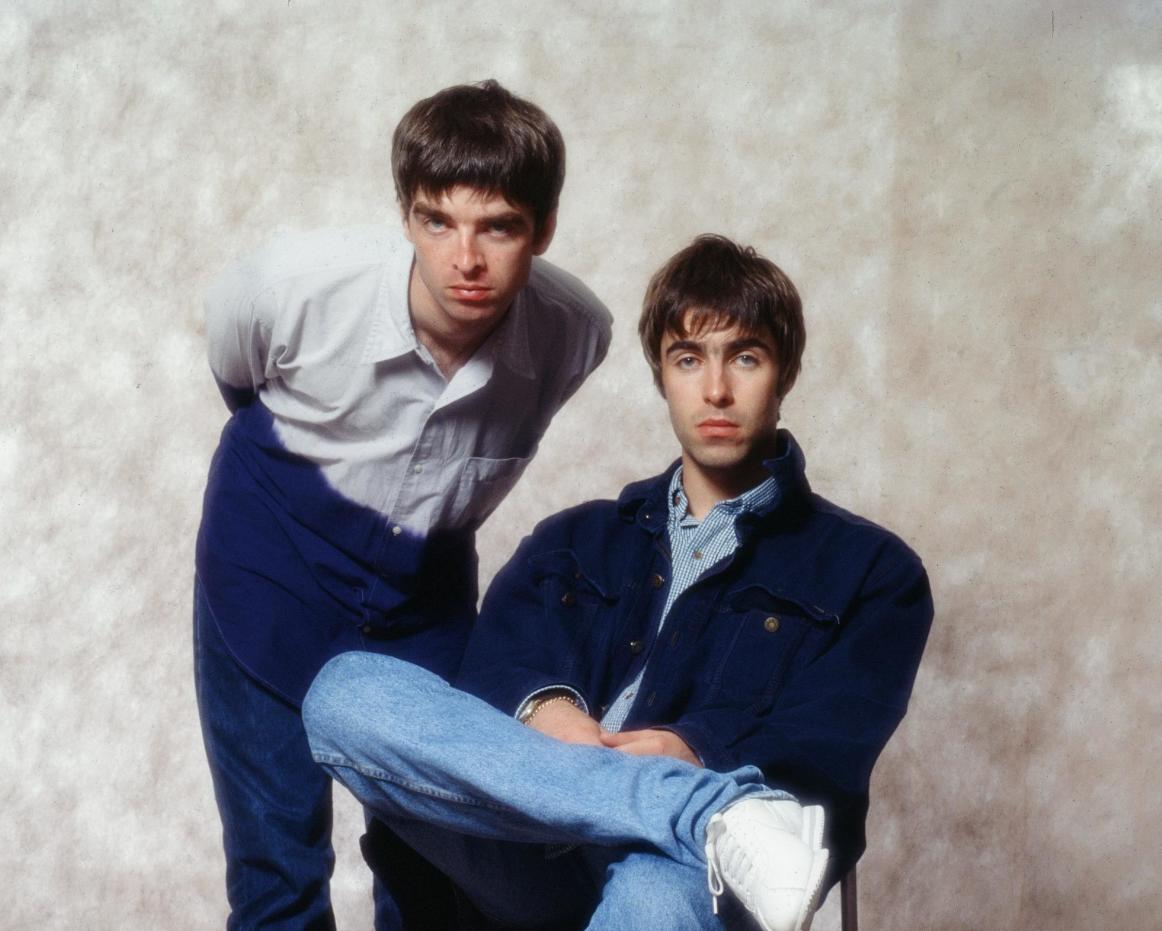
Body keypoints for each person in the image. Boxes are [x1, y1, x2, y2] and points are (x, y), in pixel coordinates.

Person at [302, 234, 934, 930]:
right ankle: (702, 812)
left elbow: (821, 752)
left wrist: (694, 750)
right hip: (531, 842)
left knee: (650, 896)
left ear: (784, 374)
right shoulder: (574, 538)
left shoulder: (874, 573)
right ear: (662, 376)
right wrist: (547, 710)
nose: (716, 389)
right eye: (688, 359)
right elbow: (486, 680)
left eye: (745, 357)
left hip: (693, 880)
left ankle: (695, 816)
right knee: (345, 691)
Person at [194, 80, 613, 929]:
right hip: (267, 568)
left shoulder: (574, 333)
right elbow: (236, 376)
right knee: (279, 867)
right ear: (404, 213)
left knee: (435, 865)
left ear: (544, 228)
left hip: (423, 598)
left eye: (498, 226)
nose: (465, 259)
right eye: (437, 221)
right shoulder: (298, 286)